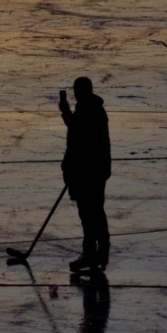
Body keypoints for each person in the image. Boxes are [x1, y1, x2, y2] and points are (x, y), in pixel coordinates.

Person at [60, 77, 111, 272]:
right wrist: (65, 111)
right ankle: (94, 253)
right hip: (88, 170)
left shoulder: (91, 110)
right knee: (90, 213)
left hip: (91, 172)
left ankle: (94, 254)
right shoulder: (86, 108)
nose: (76, 93)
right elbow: (76, 129)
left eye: (78, 90)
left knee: (92, 213)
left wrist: (74, 168)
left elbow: (80, 138)